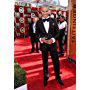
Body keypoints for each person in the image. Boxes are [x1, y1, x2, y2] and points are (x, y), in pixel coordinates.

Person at [36, 5, 64, 87]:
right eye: (43, 11)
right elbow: (37, 34)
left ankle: (58, 77)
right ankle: (46, 77)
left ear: (49, 11)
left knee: (56, 62)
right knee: (45, 62)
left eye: (46, 11)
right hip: (44, 45)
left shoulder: (54, 20)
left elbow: (58, 33)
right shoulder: (38, 22)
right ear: (41, 12)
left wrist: (53, 40)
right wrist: (42, 39)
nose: (44, 13)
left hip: (53, 45)